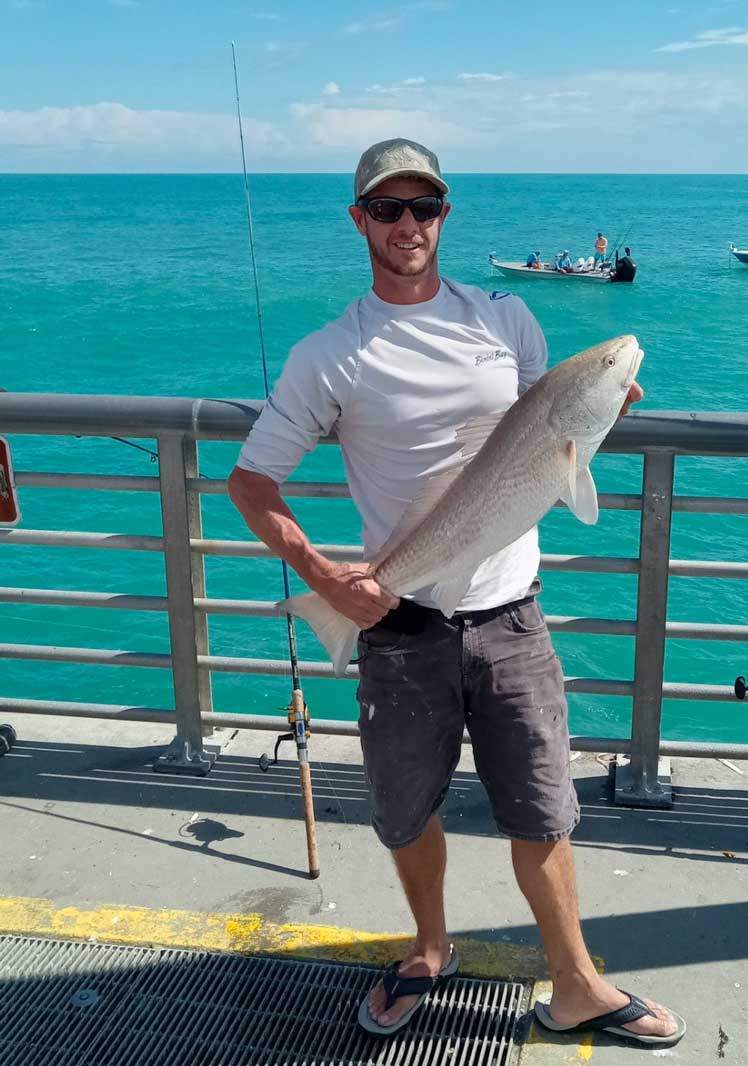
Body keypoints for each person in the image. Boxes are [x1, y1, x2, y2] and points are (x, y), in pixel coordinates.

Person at [227, 137, 682, 1048]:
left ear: (445, 216)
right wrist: (324, 578)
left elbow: (534, 446)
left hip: (514, 612)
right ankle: (429, 950)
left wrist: (597, 410)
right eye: (387, 209)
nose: (408, 225)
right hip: (397, 624)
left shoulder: (508, 319)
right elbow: (250, 482)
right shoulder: (331, 354)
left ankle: (578, 982)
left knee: (544, 808)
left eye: (423, 208)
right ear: (359, 219)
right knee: (404, 812)